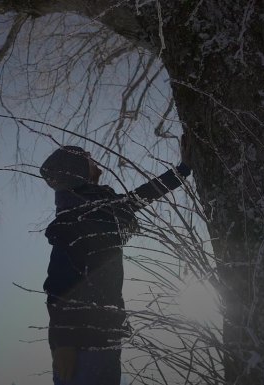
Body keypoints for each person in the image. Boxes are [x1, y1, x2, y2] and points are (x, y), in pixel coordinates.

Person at [39, 142, 191, 385]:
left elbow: (142, 196)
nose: (93, 159)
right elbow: (58, 285)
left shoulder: (101, 209)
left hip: (105, 335)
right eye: (87, 157)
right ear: (75, 168)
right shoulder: (72, 221)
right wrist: (64, 344)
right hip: (81, 346)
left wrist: (182, 170)